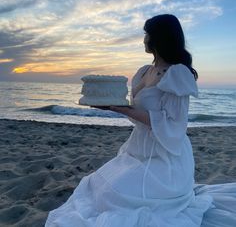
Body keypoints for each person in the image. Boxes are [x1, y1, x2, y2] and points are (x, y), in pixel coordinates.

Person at [45, 14, 236, 226]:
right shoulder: (145, 71)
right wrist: (111, 106)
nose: (144, 39)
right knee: (99, 186)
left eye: (147, 34)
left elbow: (175, 124)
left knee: (118, 193)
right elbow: (136, 110)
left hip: (165, 154)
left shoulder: (178, 74)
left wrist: (123, 110)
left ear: (159, 38)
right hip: (137, 148)